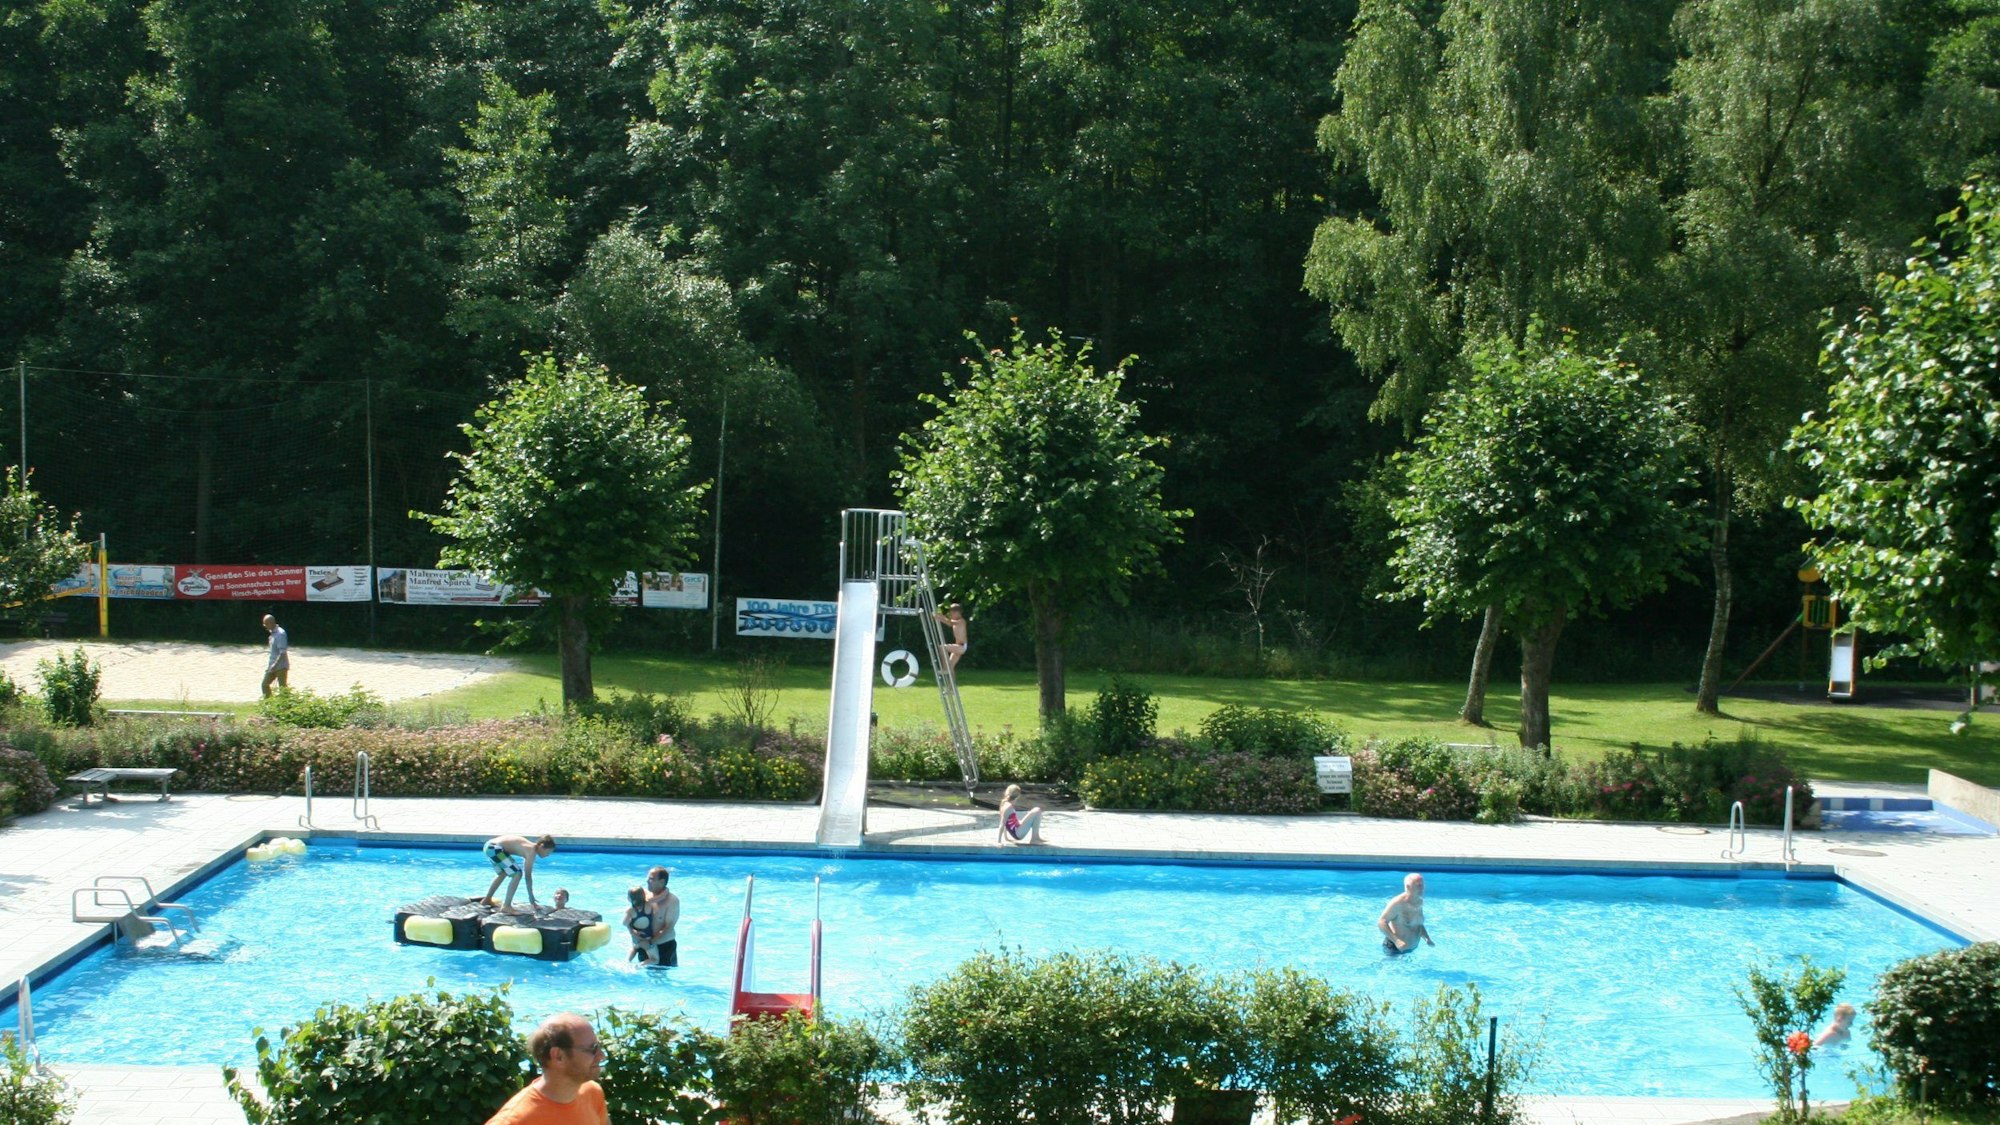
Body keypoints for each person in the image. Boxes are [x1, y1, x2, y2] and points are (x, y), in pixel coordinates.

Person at [483, 1012, 609, 1125]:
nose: (602, 1056)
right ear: (558, 1056)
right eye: (592, 1049)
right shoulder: (513, 1120)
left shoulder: (592, 1093)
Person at [480, 834, 555, 914]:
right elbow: (528, 877)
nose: (548, 855)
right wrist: (531, 898)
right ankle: (506, 906)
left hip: (489, 846)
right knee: (517, 874)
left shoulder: (529, 847)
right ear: (541, 846)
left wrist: (531, 898)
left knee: (503, 873)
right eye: (548, 852)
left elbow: (527, 875)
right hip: (494, 849)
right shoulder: (531, 851)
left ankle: (487, 899)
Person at [1377, 872, 1434, 955]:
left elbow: (1418, 923)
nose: (1422, 888)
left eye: (1422, 885)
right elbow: (1381, 922)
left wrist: (1427, 938)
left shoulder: (1419, 900)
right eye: (1418, 885)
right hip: (1395, 950)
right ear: (1408, 887)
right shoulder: (1398, 903)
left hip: (1410, 950)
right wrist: (1397, 941)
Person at [636, 866, 680, 967]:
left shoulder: (672, 901)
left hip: (664, 948)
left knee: (662, 974)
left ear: (662, 881)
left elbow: (668, 927)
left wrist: (651, 942)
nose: (647, 880)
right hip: (645, 946)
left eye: (651, 879)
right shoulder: (644, 896)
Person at [933, 602, 968, 676]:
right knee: (951, 667)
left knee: (942, 648)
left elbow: (950, 623)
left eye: (952, 614)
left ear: (957, 613)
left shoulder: (961, 621)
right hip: (958, 646)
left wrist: (940, 617)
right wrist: (940, 616)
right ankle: (951, 683)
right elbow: (949, 623)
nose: (951, 615)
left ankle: (944, 669)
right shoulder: (955, 621)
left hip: (961, 647)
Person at [260, 614, 290, 697]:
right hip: (272, 665)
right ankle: (269, 703)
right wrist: (271, 665)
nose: (265, 626)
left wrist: (275, 665)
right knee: (264, 685)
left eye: (266, 624)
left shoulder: (281, 634)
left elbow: (282, 652)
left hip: (281, 666)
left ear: (271, 623)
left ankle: (285, 704)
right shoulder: (272, 634)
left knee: (283, 689)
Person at [622, 886, 654, 962]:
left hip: (637, 938)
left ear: (630, 899)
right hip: (648, 937)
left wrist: (631, 929)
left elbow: (624, 923)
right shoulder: (649, 905)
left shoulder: (630, 911)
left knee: (634, 948)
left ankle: (628, 961)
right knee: (654, 959)